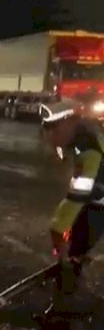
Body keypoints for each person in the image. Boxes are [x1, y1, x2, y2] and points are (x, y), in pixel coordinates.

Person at [40, 98, 104, 274]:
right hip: (97, 194)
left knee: (88, 223)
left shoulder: (88, 149)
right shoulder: (82, 137)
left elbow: (79, 195)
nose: (50, 135)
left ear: (71, 122)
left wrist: (58, 227)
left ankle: (74, 262)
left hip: (99, 200)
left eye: (55, 128)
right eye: (47, 128)